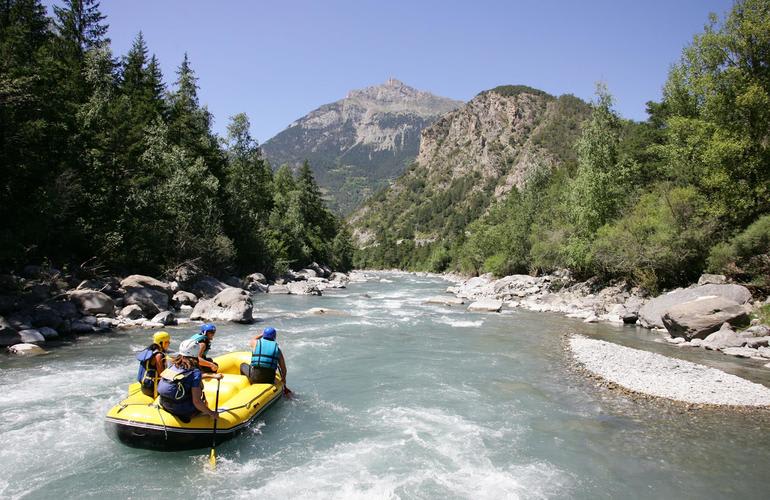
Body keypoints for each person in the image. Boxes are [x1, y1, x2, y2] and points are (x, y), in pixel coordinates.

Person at [157, 339, 222, 423]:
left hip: (164, 403)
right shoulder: (195, 372)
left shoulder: (173, 365)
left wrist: (212, 375)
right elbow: (197, 401)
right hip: (180, 409)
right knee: (203, 401)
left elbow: (184, 377)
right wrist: (212, 413)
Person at [240, 327, 289, 394]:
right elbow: (284, 369)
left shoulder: (256, 343)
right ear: (274, 337)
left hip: (256, 377)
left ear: (264, 335)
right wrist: (283, 379)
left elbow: (253, 339)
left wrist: (262, 334)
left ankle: (247, 385)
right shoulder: (277, 349)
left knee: (242, 366)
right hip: (270, 379)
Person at [136, 331, 171, 397]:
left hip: (145, 386)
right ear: (161, 343)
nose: (169, 343)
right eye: (167, 342)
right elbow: (162, 374)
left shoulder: (149, 351)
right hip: (152, 389)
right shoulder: (158, 355)